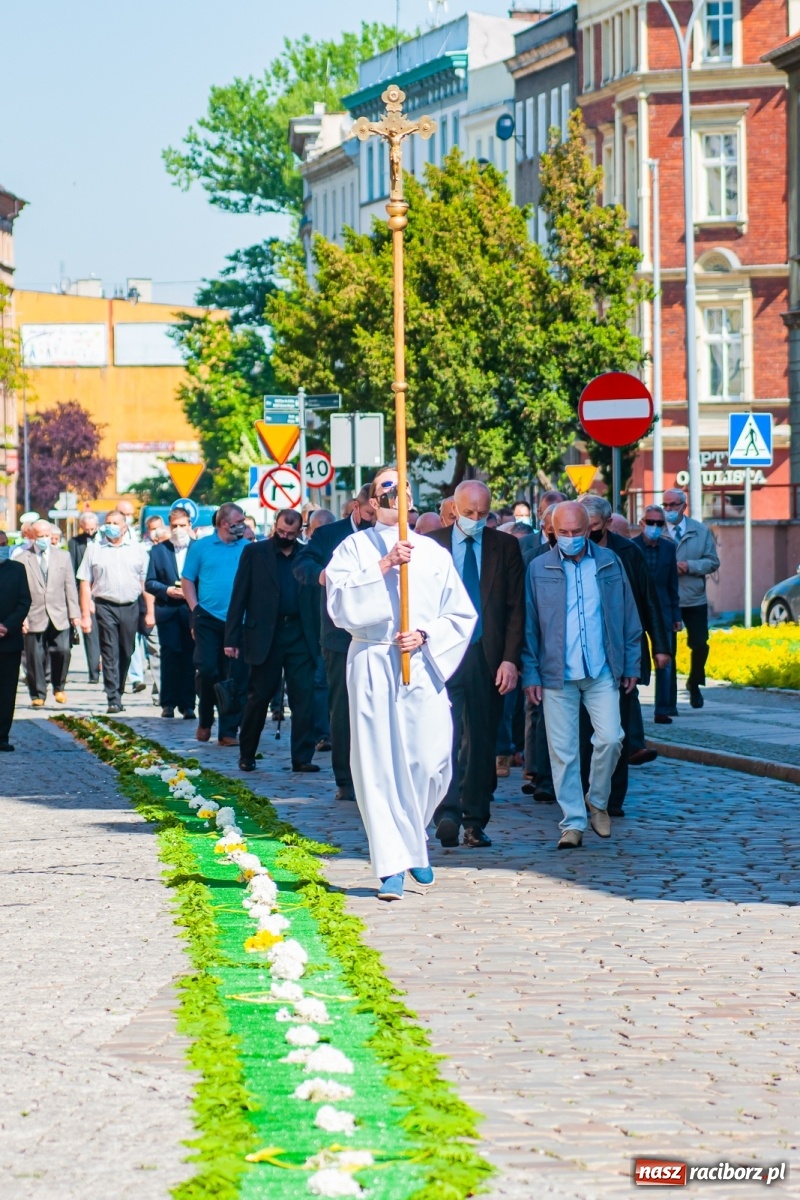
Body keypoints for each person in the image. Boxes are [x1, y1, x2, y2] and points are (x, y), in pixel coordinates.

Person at [326, 466, 476, 900]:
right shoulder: (354, 547)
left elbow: (460, 614)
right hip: (373, 658)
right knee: (377, 764)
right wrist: (384, 566)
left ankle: (414, 839)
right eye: (384, 488)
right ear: (372, 502)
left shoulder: (433, 553)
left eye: (400, 486)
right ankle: (392, 864)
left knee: (431, 761)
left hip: (421, 662)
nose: (394, 493)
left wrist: (426, 635)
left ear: (411, 497)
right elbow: (340, 606)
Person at [522, 502, 641, 850]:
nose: (571, 538)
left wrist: (631, 664)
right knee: (563, 752)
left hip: (602, 668)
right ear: (551, 532)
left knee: (611, 738)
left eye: (577, 532)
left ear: (590, 530)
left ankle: (598, 801)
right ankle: (572, 822)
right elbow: (529, 626)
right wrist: (531, 673)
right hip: (555, 672)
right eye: (564, 533)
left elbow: (628, 616)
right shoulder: (537, 568)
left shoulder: (608, 562)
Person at [428, 480, 524, 848]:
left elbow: (517, 608)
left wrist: (510, 660)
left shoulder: (505, 547)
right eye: (469, 513)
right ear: (454, 508)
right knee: (443, 736)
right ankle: (446, 812)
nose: (476, 520)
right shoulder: (432, 545)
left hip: (486, 654)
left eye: (483, 514)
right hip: (441, 655)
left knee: (482, 740)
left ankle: (474, 819)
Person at [578, 494, 671, 815]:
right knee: (583, 732)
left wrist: (660, 646)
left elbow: (647, 600)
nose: (584, 535)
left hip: (618, 655)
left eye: (591, 528)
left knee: (615, 731)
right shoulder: (566, 546)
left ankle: (612, 799)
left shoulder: (628, 553)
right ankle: (584, 791)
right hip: (579, 655)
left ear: (606, 523)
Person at [292, 485, 376, 802]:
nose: (372, 520)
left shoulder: (390, 535)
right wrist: (324, 575)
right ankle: (346, 778)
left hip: (382, 634)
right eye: (368, 514)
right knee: (342, 706)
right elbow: (302, 564)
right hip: (340, 635)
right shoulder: (330, 535)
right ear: (356, 507)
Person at [225, 509, 320, 773]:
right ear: (274, 528)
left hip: (300, 634)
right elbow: (239, 595)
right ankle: (247, 754)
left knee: (303, 699)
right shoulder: (255, 553)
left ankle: (302, 757)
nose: (285, 537)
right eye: (281, 532)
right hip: (266, 634)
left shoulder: (306, 555)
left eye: (290, 534)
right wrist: (231, 637)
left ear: (299, 532)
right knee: (259, 697)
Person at [181, 501, 249, 745]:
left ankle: (228, 731)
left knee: (235, 675)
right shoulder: (201, 547)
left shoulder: (247, 548)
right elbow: (187, 579)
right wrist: (195, 608)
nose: (243, 526)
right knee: (209, 669)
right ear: (223, 523)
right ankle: (206, 718)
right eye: (238, 522)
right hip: (207, 617)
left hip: (238, 620)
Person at [77, 511, 149, 713]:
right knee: (109, 651)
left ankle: (119, 687)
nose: (111, 526)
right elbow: (84, 581)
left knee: (127, 651)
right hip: (104, 605)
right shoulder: (94, 549)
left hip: (130, 605)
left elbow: (145, 583)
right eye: (107, 522)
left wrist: (149, 610)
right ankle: (113, 697)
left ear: (125, 527)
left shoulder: (138, 550)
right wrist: (85, 614)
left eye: (115, 523)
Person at [662, 488, 720, 709]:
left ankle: (694, 683)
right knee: (668, 649)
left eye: (673, 505)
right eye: (665, 505)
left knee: (700, 644)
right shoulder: (657, 530)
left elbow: (713, 562)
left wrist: (690, 566)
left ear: (683, 506)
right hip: (667, 599)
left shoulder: (700, 530)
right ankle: (670, 700)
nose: (668, 509)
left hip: (694, 597)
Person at [19, 519, 80, 707]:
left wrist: (74, 613)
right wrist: (21, 618)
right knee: (35, 656)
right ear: (32, 537)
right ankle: (37, 694)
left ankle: (59, 686)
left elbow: (70, 586)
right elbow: (18, 591)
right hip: (33, 614)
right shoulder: (21, 559)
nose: (44, 539)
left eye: (47, 536)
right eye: (40, 536)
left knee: (63, 650)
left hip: (59, 613)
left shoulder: (63, 556)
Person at [521, 503, 559, 802]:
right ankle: (540, 774)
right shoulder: (531, 558)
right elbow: (524, 611)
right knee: (539, 712)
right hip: (541, 650)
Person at [146, 506, 196, 719]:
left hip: (191, 610)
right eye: (174, 526)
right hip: (167, 610)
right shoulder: (159, 551)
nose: (178, 530)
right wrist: (167, 590)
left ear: (189, 525)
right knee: (169, 655)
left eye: (182, 526)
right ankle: (168, 703)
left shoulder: (198, 548)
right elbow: (149, 582)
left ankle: (188, 704)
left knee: (190, 657)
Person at [633, 506, 681, 724]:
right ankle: (630, 704)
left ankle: (662, 708)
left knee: (665, 660)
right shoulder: (631, 547)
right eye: (650, 522)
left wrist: (676, 616)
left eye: (659, 523)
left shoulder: (669, 548)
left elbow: (673, 585)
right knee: (634, 659)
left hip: (662, 610)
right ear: (642, 522)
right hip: (635, 609)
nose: (654, 527)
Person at [0, 531, 31, 751]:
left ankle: (2, 736)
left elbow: (24, 601)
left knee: (7, 691)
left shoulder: (17, 570)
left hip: (8, 640)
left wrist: (7, 626)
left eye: (4, 544)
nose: (2, 547)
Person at [68, 513, 102, 683]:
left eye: (92, 528)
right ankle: (94, 672)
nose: (89, 531)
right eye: (85, 528)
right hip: (84, 591)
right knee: (90, 633)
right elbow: (73, 571)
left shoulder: (104, 540)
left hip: (103, 591)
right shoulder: (75, 543)